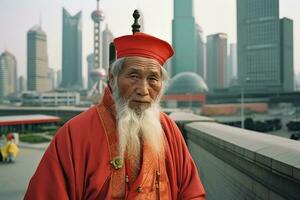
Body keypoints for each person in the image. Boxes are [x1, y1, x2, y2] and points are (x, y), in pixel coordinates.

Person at [24, 32, 206, 199]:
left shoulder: (169, 130)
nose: (143, 90)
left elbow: (192, 193)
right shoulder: (74, 134)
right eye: (134, 76)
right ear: (112, 78)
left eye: (152, 78)